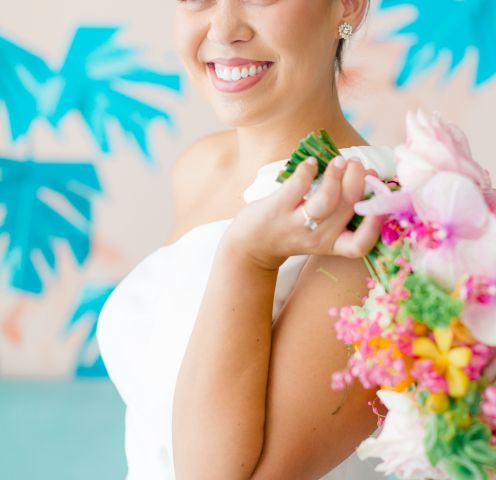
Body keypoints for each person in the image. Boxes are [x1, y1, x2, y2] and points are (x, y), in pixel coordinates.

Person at [97, 0, 397, 478]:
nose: (224, 27)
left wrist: (247, 257)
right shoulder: (201, 168)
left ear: (349, 6)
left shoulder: (369, 223)